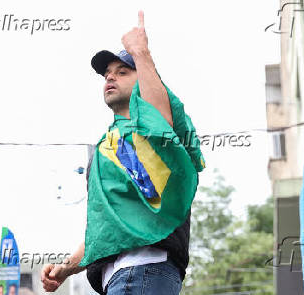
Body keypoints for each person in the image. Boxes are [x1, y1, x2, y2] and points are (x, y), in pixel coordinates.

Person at [41, 10, 204, 295]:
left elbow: (160, 123)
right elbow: (106, 231)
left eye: (122, 71)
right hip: (120, 279)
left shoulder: (163, 121)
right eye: (107, 74)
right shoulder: (107, 147)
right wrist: (66, 268)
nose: (110, 78)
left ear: (143, 79)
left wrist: (141, 53)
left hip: (142, 270)